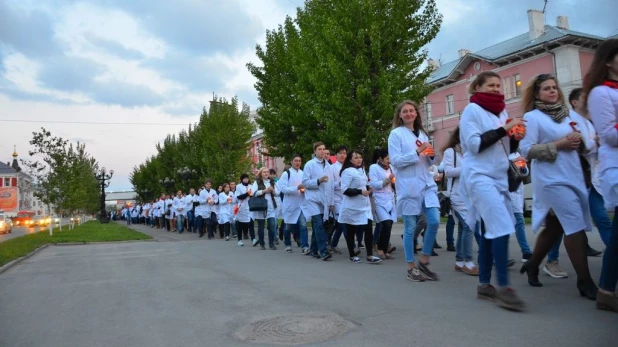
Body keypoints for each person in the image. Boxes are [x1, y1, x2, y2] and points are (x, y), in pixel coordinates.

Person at [519, 73, 596, 301]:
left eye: (554, 87)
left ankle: (532, 265)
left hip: (574, 176)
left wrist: (583, 141)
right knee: (575, 226)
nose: (552, 91)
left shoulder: (570, 115)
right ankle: (585, 281)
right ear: (537, 94)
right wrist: (559, 145)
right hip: (551, 180)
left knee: (555, 227)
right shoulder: (532, 117)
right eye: (546, 88)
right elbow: (526, 150)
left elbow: (589, 142)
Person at [459, 71, 525, 310]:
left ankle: (484, 285)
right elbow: (475, 145)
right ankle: (505, 288)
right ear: (478, 87)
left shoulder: (502, 112)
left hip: (498, 177)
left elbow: (506, 147)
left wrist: (515, 137)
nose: (496, 88)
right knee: (502, 226)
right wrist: (505, 129)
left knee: (490, 229)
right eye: (491, 85)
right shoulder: (472, 110)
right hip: (478, 176)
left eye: (499, 85)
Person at [388, 100, 440, 282]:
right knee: (410, 228)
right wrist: (418, 152)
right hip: (409, 187)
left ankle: (424, 260)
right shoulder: (396, 135)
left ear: (417, 114)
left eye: (412, 111)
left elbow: (429, 161)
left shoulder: (423, 134)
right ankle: (411, 267)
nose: (409, 113)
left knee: (434, 221)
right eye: (405, 111)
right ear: (400, 115)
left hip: (426, 184)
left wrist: (432, 156)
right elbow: (396, 162)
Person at [584, 38, 618, 312]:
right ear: (608, 60)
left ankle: (606, 289)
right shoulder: (600, 93)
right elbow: (609, 135)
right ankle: (606, 289)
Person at [442, 126, 478, 275]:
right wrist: (467, 169)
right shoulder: (450, 152)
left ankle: (459, 261)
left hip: (471, 196)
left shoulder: (472, 152)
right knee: (469, 226)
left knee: (463, 228)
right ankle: (468, 261)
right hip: (456, 195)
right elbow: (448, 172)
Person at [339, 150, 381, 264]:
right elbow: (344, 189)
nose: (359, 159)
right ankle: (352, 254)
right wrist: (359, 191)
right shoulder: (347, 171)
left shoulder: (362, 170)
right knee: (351, 230)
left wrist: (368, 188)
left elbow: (363, 184)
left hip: (364, 205)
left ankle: (370, 255)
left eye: (360, 157)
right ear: (350, 159)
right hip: (352, 206)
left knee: (368, 228)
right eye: (356, 157)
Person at [302, 142, 333, 261]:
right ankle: (323, 251)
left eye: (324, 149)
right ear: (314, 151)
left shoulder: (329, 166)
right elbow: (305, 182)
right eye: (319, 149)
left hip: (324, 200)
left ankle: (313, 250)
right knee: (319, 224)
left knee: (317, 227)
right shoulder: (309, 164)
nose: (322, 151)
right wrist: (318, 181)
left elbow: (330, 185)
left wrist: (331, 203)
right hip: (312, 199)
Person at [368, 148, 396, 260]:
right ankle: (379, 247)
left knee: (390, 224)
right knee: (386, 224)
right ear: (380, 159)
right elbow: (374, 184)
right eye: (387, 158)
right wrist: (388, 180)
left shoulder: (391, 168)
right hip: (379, 200)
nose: (389, 161)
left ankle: (385, 249)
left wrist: (394, 181)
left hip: (390, 199)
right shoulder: (373, 167)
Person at [277, 155, 309, 253]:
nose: (298, 163)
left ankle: (305, 246)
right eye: (296, 161)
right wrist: (296, 188)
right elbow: (283, 189)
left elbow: (307, 186)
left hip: (301, 205)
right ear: (291, 161)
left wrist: (304, 191)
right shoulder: (286, 174)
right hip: (290, 204)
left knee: (303, 226)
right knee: (288, 226)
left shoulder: (303, 173)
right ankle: (288, 244)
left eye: (299, 161)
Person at [251, 167, 279, 250]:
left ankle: (271, 243)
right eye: (264, 172)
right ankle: (262, 244)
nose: (266, 173)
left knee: (272, 225)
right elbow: (254, 193)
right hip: (261, 206)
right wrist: (264, 191)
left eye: (267, 172)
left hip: (270, 206)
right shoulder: (257, 182)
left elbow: (278, 192)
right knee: (261, 226)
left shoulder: (272, 182)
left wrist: (273, 191)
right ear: (260, 174)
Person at [236, 174, 258, 247]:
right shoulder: (238, 186)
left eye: (247, 178)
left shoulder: (251, 186)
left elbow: (253, 195)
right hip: (241, 208)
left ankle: (253, 239)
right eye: (244, 178)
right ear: (242, 179)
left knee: (250, 223)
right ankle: (239, 240)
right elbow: (239, 197)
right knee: (241, 224)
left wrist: (251, 194)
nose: (246, 180)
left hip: (249, 207)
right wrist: (247, 193)